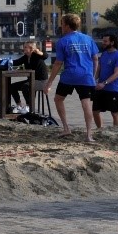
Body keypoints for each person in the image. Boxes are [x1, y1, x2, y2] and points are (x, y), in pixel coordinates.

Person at [44, 14, 100, 142]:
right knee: (86, 104)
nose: (61, 26)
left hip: (69, 76)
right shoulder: (88, 39)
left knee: (58, 99)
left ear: (67, 26)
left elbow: (58, 63)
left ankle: (66, 128)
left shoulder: (63, 41)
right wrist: (93, 75)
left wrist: (49, 82)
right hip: (86, 76)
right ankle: (89, 135)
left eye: (62, 23)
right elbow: (95, 58)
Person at [92, 33, 118, 128]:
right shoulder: (104, 54)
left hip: (113, 89)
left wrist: (104, 83)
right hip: (100, 89)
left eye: (105, 41)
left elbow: (117, 73)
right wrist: (93, 80)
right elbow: (99, 69)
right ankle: (100, 130)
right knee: (95, 111)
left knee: (114, 113)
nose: (103, 43)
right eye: (103, 41)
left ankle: (116, 131)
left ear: (112, 42)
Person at [9, 41, 49, 114]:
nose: (23, 48)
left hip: (42, 81)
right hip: (31, 80)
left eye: (25, 47)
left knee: (26, 86)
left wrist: (39, 52)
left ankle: (29, 106)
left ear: (31, 49)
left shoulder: (36, 55)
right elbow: (16, 62)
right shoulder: (26, 57)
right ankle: (19, 106)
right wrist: (3, 61)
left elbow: (45, 56)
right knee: (12, 86)